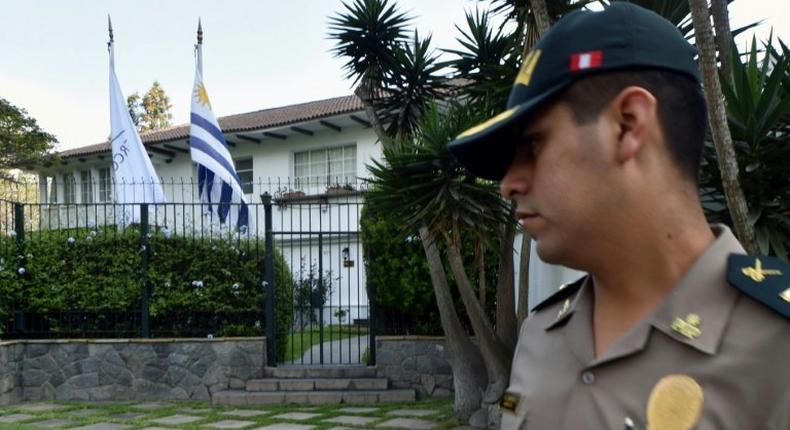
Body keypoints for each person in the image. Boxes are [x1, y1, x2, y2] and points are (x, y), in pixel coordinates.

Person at [448, 3, 789, 429]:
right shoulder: (539, 335)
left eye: (533, 145)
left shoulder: (777, 348)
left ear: (629, 125)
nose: (508, 184)